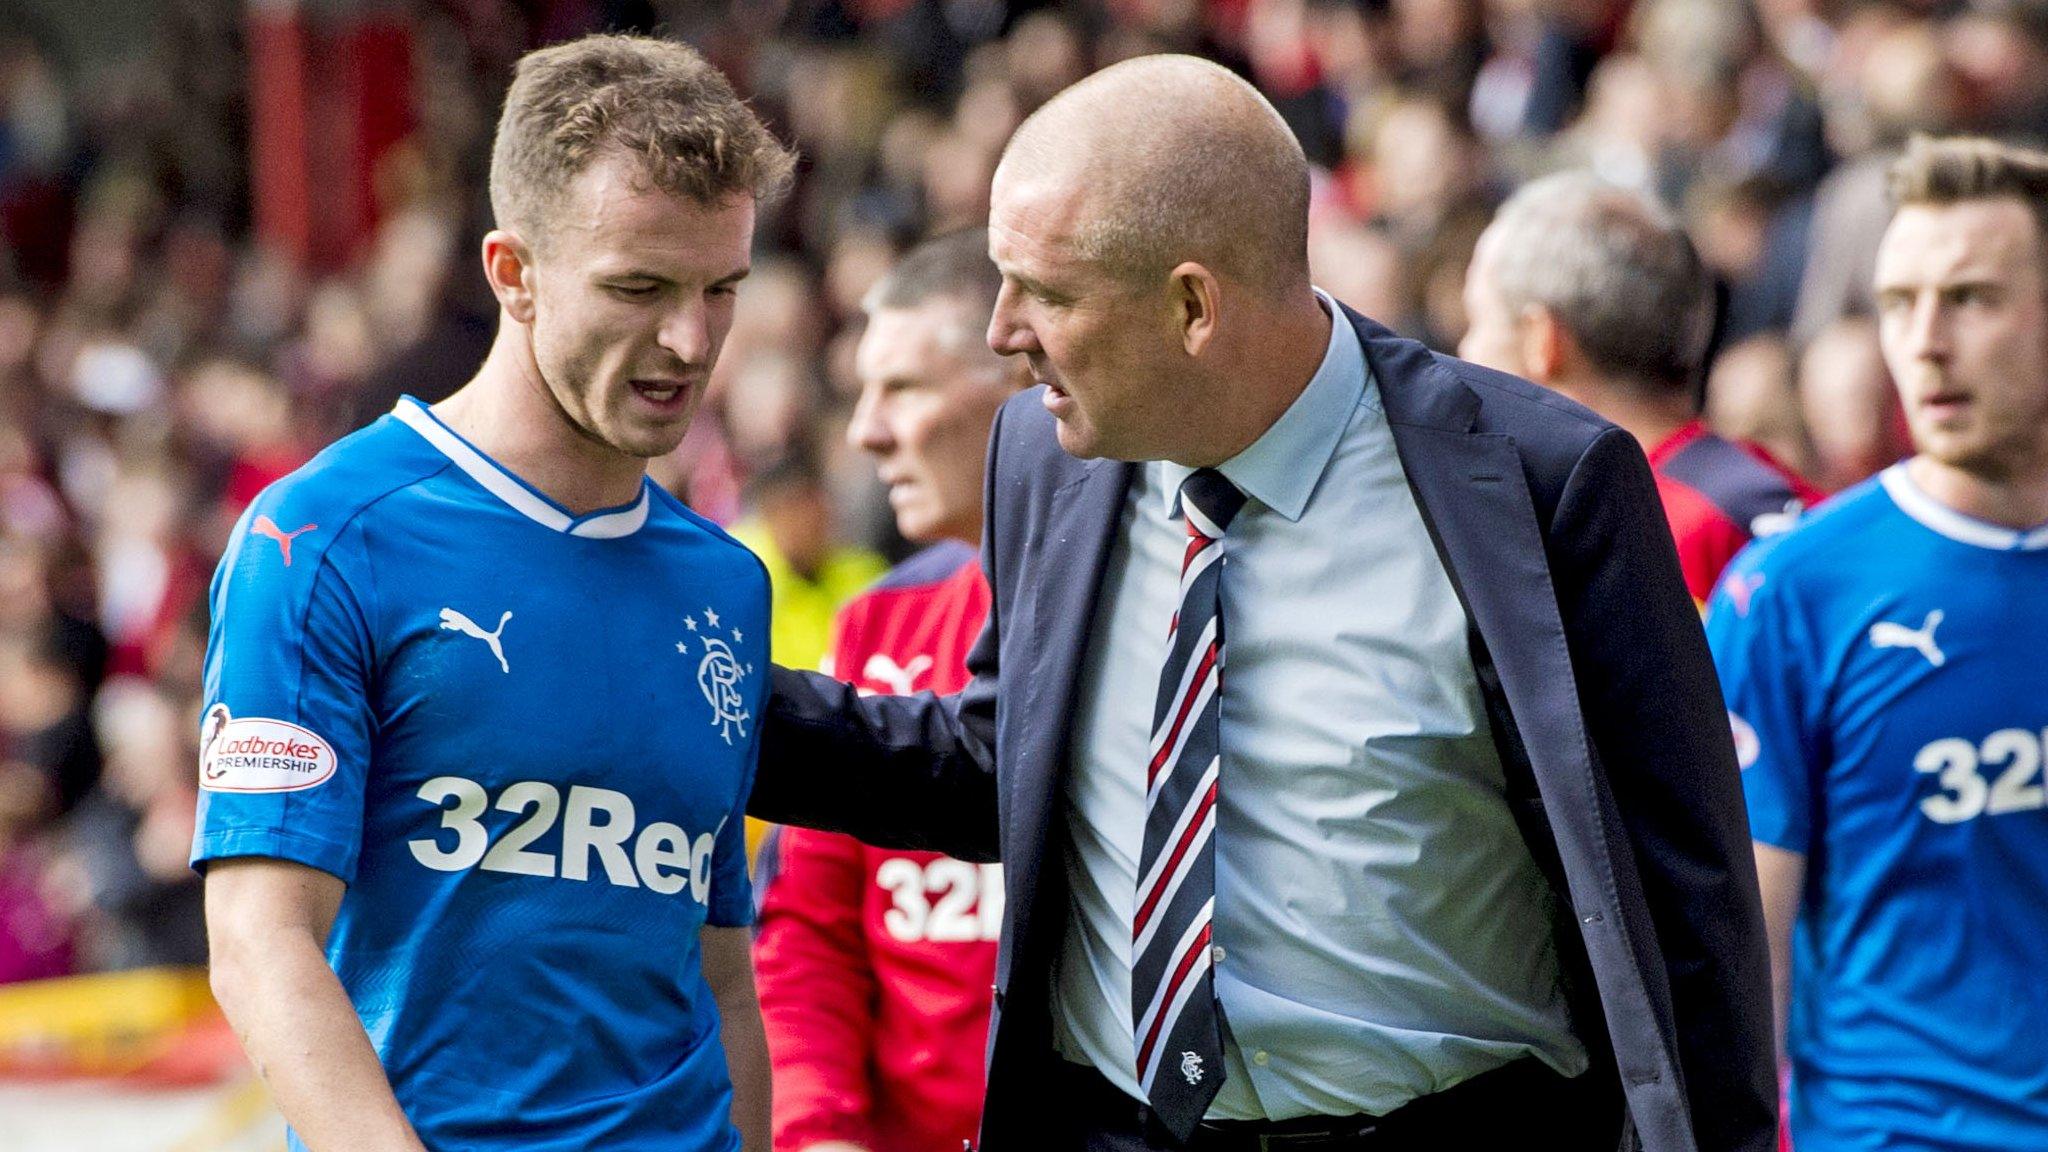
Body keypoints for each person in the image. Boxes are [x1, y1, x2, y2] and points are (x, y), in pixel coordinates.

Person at [751, 55, 1775, 1152]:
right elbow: (999, 764)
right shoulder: (1041, 455)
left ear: (1191, 306)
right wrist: (696, 697)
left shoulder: (1535, 481)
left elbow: (1686, 911)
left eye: (1043, 292)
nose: (1003, 332)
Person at [193, 34, 793, 1152]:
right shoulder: (321, 536)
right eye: (637, 288)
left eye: (721, 289)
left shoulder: (725, 584)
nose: (690, 340)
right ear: (511, 273)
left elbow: (720, 976)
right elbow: (258, 941)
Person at [1707, 134, 2048, 1151]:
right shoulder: (1790, 591)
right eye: (1897, 303)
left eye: (1970, 299)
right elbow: (1744, 959)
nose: (1924, 342)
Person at [753, 229, 1028, 1152]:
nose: (866, 429)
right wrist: (821, 1132)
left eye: (902, 387)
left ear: (1025, 389)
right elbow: (805, 929)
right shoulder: (882, 625)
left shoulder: (1164, 615)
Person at [1460, 172, 1823, 606]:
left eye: (1478, 322)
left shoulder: (1645, 533)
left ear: (1543, 341)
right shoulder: (1760, 486)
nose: (1463, 351)